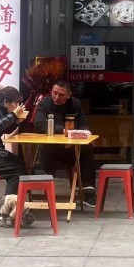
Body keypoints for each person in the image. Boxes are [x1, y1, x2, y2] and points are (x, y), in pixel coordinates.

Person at [33, 80, 96, 208]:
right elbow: (39, 125)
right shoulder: (44, 103)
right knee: (47, 148)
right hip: (51, 148)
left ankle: (88, 191)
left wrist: (83, 132)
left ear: (69, 95)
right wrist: (64, 130)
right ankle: (46, 189)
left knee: (86, 149)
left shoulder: (75, 104)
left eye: (61, 95)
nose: (56, 97)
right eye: (54, 93)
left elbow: (83, 123)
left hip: (71, 148)